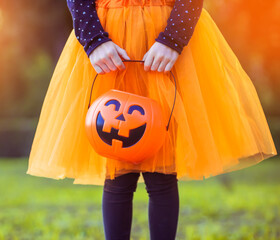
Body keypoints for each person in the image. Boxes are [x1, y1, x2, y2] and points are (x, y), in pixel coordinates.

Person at [27, 0, 278, 239]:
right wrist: (93, 38)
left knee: (162, 168)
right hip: (109, 38)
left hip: (164, 36)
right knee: (117, 165)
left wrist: (173, 38)